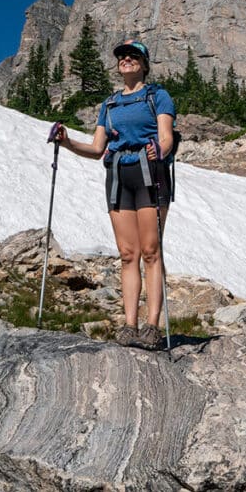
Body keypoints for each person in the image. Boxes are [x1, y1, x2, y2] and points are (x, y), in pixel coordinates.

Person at [53, 39, 176, 349]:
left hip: (151, 173)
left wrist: (158, 152)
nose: (126, 60)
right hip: (119, 175)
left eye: (134, 56)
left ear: (145, 64)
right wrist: (67, 142)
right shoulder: (109, 104)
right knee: (127, 254)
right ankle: (129, 325)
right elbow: (97, 148)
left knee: (150, 250)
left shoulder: (158, 97)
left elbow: (167, 138)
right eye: (122, 56)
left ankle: (151, 326)